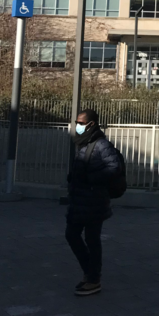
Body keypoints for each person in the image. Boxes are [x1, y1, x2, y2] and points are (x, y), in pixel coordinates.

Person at [66, 109, 122, 296]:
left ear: (91, 124)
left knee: (90, 239)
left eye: (81, 123)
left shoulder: (101, 144)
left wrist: (90, 178)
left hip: (94, 201)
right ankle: (90, 273)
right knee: (72, 235)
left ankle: (93, 278)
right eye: (77, 122)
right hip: (80, 200)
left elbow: (114, 167)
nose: (78, 126)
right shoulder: (83, 142)